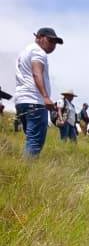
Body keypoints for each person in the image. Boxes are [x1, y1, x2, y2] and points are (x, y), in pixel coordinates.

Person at [13, 27, 62, 157]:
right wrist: (45, 97)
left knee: (31, 139)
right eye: (50, 40)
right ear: (39, 37)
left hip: (22, 101)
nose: (53, 45)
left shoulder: (25, 51)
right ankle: (27, 168)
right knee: (35, 142)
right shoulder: (38, 52)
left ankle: (24, 166)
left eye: (55, 42)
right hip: (35, 101)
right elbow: (36, 73)